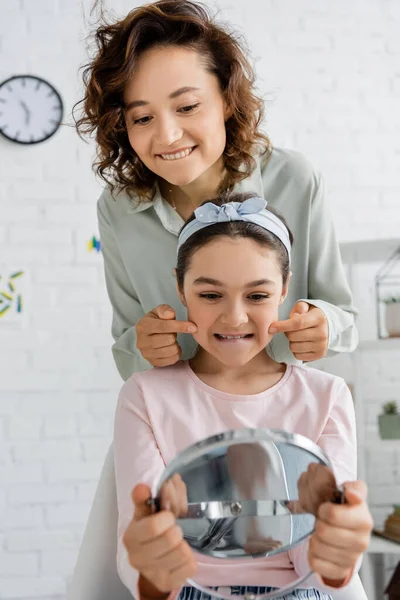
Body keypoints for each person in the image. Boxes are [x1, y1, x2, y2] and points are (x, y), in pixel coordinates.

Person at [69, 2, 360, 598]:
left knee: (310, 565)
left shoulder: (293, 179)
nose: (167, 135)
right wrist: (143, 345)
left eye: (188, 106)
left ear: (226, 99)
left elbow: (342, 314)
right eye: (141, 117)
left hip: (282, 428)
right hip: (174, 434)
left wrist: (322, 325)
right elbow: (128, 352)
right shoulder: (119, 211)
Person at [115, 193, 372, 600]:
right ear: (180, 289)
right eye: (210, 295)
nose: (234, 317)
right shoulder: (145, 395)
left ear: (284, 289)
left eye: (257, 295)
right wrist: (154, 569)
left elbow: (322, 568)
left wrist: (336, 553)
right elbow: (142, 561)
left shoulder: (326, 396)